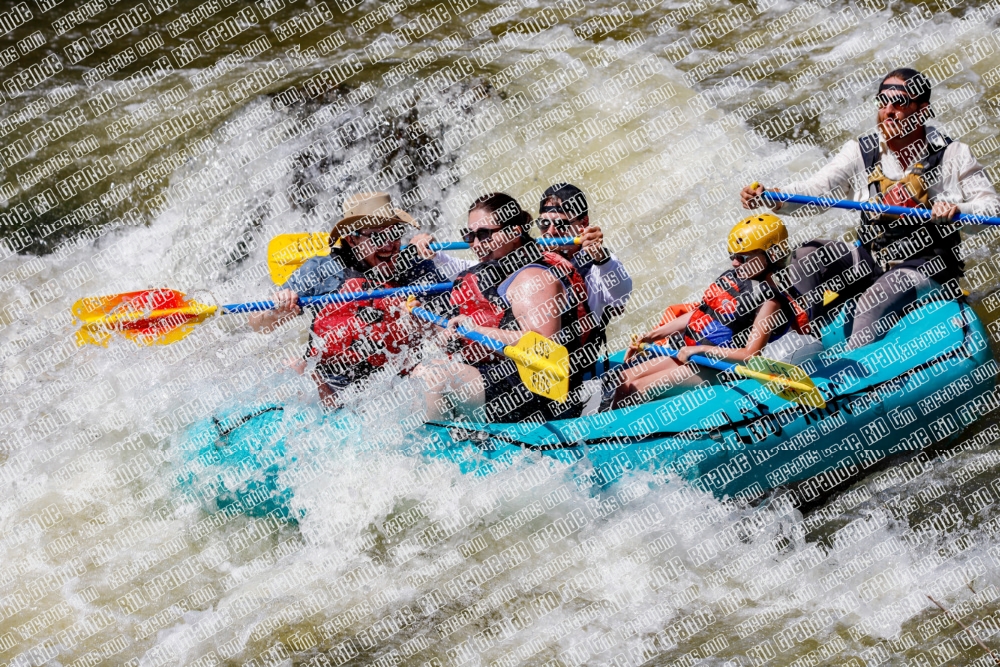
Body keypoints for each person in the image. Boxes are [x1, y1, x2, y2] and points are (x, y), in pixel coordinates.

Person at [740, 67, 1000, 348]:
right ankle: (805, 341)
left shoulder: (954, 154)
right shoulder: (860, 151)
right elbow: (817, 190)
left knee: (870, 303)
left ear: (923, 110)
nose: (888, 111)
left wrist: (957, 209)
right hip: (873, 259)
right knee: (808, 254)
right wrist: (772, 196)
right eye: (882, 101)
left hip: (927, 266)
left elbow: (992, 208)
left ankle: (854, 376)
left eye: (899, 102)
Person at [411, 183, 632, 375]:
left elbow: (620, 295)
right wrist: (433, 251)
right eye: (544, 224)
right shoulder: (533, 258)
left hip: (575, 372)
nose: (551, 231)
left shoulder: (598, 263)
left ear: (583, 224)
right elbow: (476, 270)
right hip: (530, 369)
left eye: (561, 224)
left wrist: (600, 257)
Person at [412, 192, 595, 423]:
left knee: (435, 377)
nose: (476, 244)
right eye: (470, 235)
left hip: (539, 398)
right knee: (424, 369)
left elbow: (545, 351)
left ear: (514, 231)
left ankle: (436, 451)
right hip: (505, 380)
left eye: (484, 234)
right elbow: (471, 336)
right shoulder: (493, 272)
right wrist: (426, 326)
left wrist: (476, 330)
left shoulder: (533, 280)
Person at [249, 192, 446, 405]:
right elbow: (259, 324)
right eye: (377, 237)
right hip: (331, 383)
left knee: (433, 375)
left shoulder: (415, 265)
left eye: (396, 232)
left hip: (397, 382)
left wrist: (427, 322)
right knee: (291, 367)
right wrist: (277, 308)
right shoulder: (324, 269)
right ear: (352, 239)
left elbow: (454, 318)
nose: (389, 245)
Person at [614, 214, 810, 406]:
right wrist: (652, 335)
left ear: (770, 256)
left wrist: (700, 349)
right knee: (624, 381)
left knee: (637, 388)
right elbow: (704, 313)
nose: (734, 263)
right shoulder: (738, 280)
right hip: (694, 353)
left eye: (743, 257)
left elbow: (750, 356)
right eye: (733, 256)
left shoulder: (771, 303)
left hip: (722, 367)